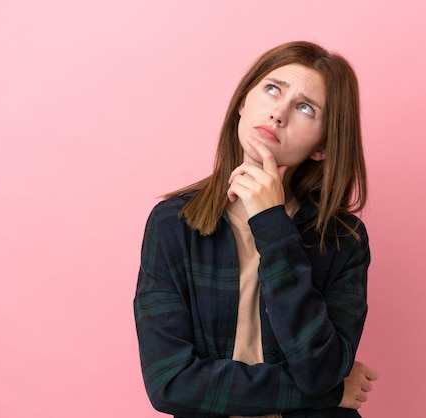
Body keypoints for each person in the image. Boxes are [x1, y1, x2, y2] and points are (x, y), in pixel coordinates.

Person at [134, 40, 378, 418]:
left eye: (305, 108)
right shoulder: (173, 224)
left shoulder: (344, 241)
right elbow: (170, 383)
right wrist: (328, 395)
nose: (279, 113)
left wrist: (272, 225)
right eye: (272, 89)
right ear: (244, 103)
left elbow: (319, 370)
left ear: (323, 147)